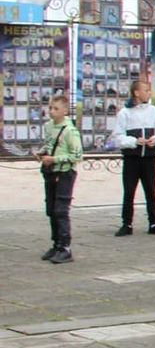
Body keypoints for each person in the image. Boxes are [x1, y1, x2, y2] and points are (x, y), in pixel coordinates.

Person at [111, 79, 155, 237]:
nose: (149, 93)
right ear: (136, 92)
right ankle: (127, 223)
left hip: (149, 158)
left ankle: (154, 222)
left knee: (151, 191)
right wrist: (134, 141)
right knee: (129, 191)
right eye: (146, 90)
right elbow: (117, 137)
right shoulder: (125, 113)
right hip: (132, 159)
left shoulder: (154, 111)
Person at [37, 94, 81, 264]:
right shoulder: (49, 126)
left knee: (61, 210)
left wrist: (55, 159)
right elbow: (50, 144)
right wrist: (43, 153)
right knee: (51, 209)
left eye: (56, 109)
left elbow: (77, 155)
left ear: (64, 110)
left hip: (64, 173)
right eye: (50, 108)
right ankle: (56, 243)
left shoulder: (70, 130)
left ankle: (65, 247)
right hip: (50, 172)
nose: (52, 112)